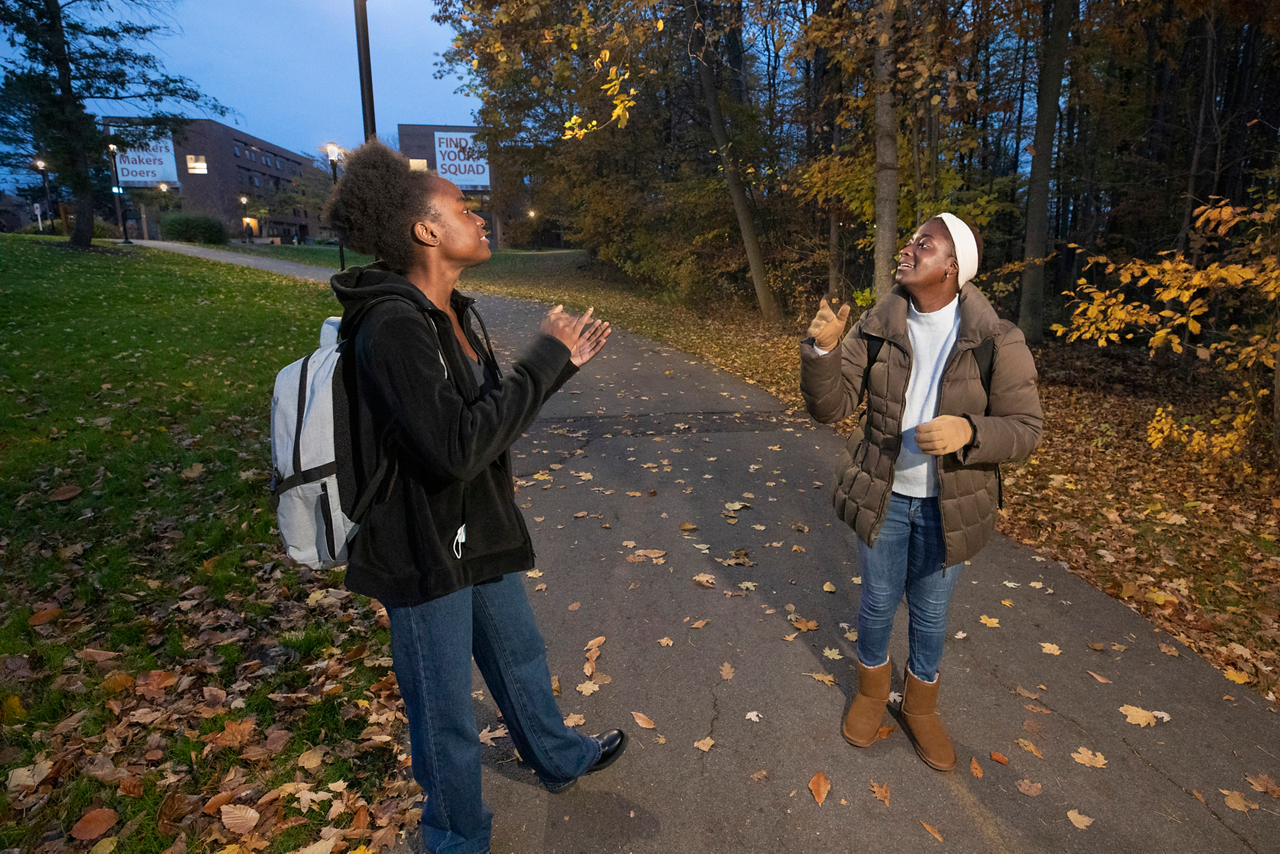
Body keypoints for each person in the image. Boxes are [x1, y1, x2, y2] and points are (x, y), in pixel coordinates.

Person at [326, 140, 626, 853]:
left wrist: (553, 368)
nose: (479, 216)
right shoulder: (393, 325)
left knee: (519, 652)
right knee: (444, 712)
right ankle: (454, 837)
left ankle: (555, 757)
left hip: (470, 528)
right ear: (426, 230)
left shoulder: (450, 312)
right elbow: (457, 446)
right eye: (463, 207)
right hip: (422, 542)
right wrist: (544, 360)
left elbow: (485, 427)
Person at [799, 213, 1043, 772]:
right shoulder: (876, 324)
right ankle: (869, 693)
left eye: (923, 244)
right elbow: (831, 407)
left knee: (931, 612)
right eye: (909, 241)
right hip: (884, 495)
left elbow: (1026, 429)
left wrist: (970, 431)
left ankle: (921, 706)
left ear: (953, 266)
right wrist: (822, 354)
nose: (908, 249)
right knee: (879, 600)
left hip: (951, 506)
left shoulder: (997, 339)